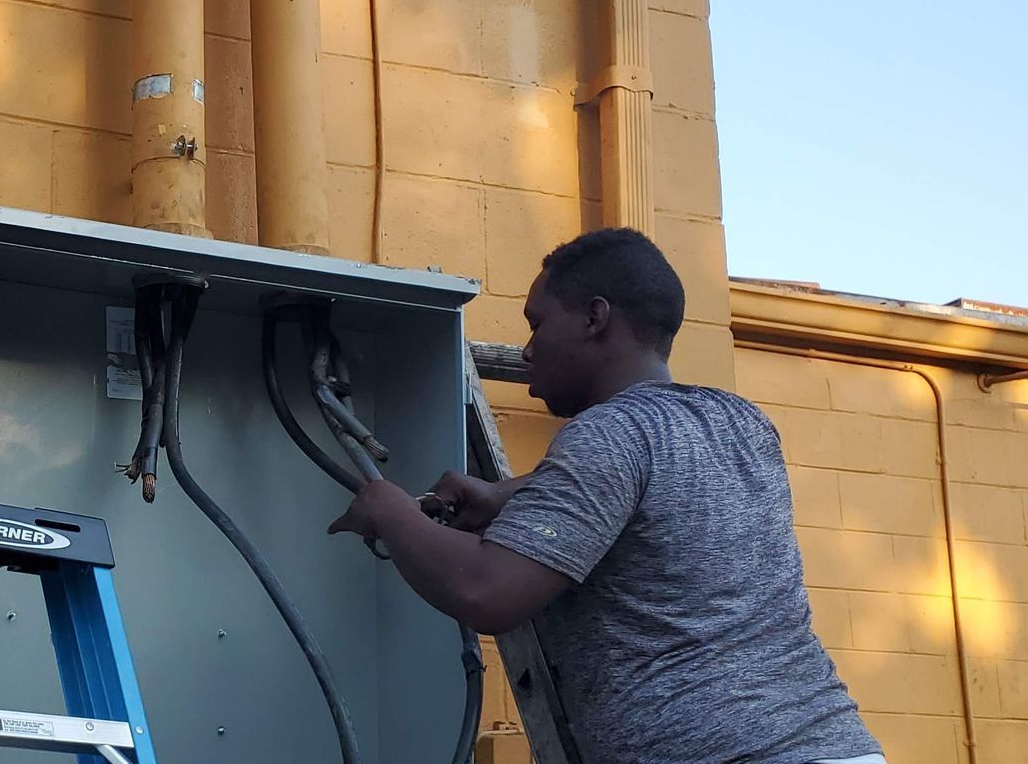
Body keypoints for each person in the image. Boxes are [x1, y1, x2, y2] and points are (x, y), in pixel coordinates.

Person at [328, 227, 882, 764]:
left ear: (595, 318)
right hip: (835, 744)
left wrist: (387, 507)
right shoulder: (737, 421)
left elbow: (488, 592)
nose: (525, 351)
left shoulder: (606, 434)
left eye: (537, 324)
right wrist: (507, 495)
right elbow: (648, 492)